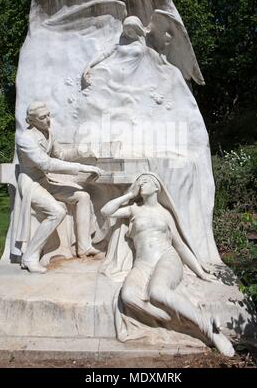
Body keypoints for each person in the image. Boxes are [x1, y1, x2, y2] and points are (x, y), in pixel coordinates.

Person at [101, 173, 235, 357]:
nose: (142, 183)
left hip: (167, 257)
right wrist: (128, 196)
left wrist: (201, 273)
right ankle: (167, 317)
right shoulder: (133, 210)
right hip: (142, 263)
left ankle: (210, 330)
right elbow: (105, 211)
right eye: (139, 181)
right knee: (128, 296)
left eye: (146, 181)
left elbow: (179, 245)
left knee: (157, 292)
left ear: (157, 187)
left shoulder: (165, 213)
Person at [16, 101, 104, 273]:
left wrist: (82, 153)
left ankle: (84, 247)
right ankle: (30, 256)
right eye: (43, 117)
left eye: (48, 115)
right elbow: (46, 163)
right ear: (30, 120)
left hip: (45, 182)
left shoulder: (47, 132)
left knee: (82, 196)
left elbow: (61, 154)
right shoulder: (24, 139)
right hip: (31, 184)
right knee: (57, 211)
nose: (48, 120)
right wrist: (83, 168)